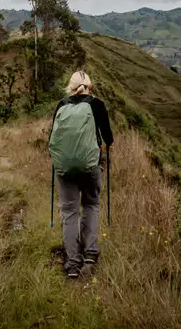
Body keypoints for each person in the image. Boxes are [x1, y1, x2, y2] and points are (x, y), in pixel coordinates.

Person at [48, 70, 113, 279]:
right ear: (90, 87)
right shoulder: (97, 104)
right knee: (91, 205)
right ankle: (90, 254)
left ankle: (72, 262)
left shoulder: (62, 105)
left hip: (64, 167)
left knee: (69, 211)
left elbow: (53, 136)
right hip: (90, 165)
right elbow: (108, 138)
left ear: (70, 86)